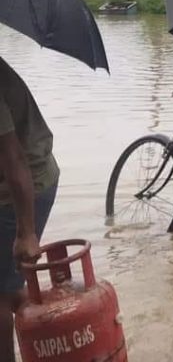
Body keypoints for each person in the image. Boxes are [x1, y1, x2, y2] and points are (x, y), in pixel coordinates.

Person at [0, 56, 58, 362]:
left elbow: (14, 159)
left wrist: (27, 231)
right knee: (8, 284)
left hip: (25, 185)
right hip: (15, 179)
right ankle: (50, 342)